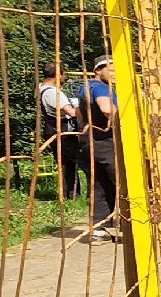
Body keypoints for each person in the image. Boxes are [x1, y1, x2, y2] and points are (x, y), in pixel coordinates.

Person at [82, 54, 122, 243]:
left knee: (100, 184)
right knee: (122, 181)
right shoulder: (99, 87)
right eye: (111, 69)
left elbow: (77, 114)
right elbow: (106, 109)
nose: (115, 73)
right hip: (104, 142)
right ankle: (134, 225)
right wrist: (125, 127)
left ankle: (98, 228)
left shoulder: (87, 87)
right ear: (98, 70)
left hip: (89, 142)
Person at [36, 63, 85, 201]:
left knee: (64, 163)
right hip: (62, 132)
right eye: (64, 74)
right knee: (74, 161)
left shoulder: (40, 88)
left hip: (52, 129)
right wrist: (84, 108)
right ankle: (74, 194)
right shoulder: (53, 92)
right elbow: (70, 112)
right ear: (57, 75)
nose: (65, 77)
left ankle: (69, 195)